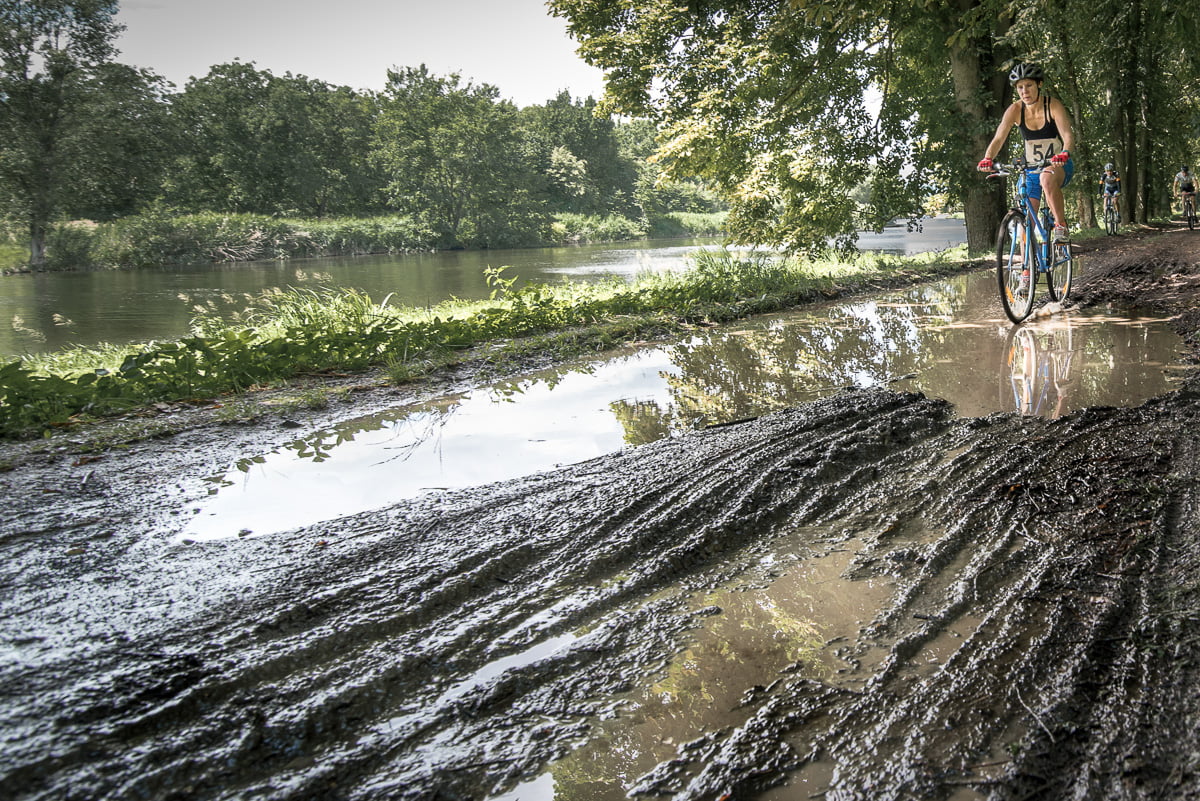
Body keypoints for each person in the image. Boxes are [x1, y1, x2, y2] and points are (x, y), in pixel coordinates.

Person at [977, 63, 1077, 243]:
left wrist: (1065, 152)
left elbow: (1067, 135)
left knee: (1046, 178)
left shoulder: (1052, 105)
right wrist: (988, 158)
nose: (1025, 91)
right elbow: (999, 137)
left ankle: (1061, 226)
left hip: (1058, 165)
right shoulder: (1015, 110)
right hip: (1031, 168)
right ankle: (1026, 268)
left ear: (1039, 84)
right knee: (1026, 220)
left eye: (1029, 85)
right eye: (1020, 87)